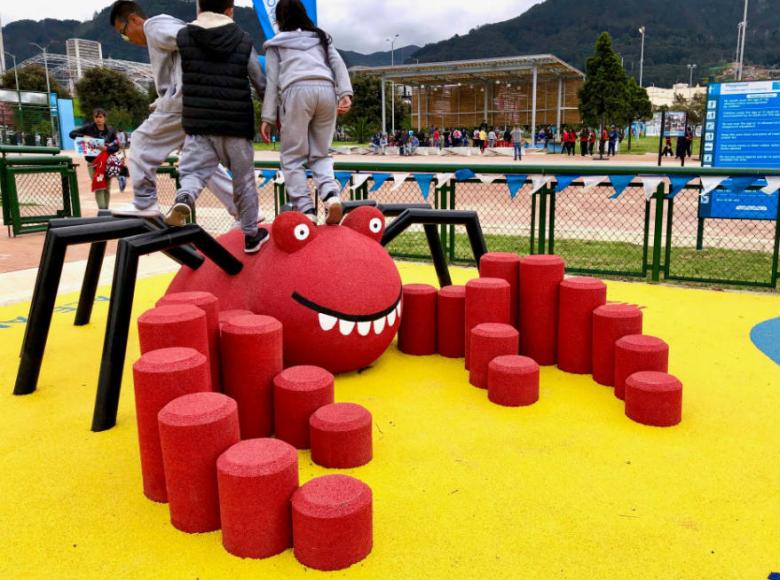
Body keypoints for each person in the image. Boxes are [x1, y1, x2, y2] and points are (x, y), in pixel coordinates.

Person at [109, 1, 244, 221]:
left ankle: (145, 203)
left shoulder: (154, 26)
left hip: (183, 104)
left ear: (133, 20)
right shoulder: (160, 38)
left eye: (123, 33)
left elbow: (190, 36)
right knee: (202, 164)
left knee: (142, 142)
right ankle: (246, 212)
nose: (128, 40)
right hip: (197, 103)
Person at [163, 0, 268, 254]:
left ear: (200, 8)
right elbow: (258, 80)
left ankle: (185, 197)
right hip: (236, 123)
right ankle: (251, 236)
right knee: (244, 182)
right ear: (230, 10)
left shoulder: (184, 37)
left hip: (199, 122)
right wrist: (272, 113)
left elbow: (177, 80)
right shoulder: (243, 40)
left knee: (194, 172)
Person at [260, 0, 353, 224]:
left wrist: (268, 117)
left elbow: (272, 81)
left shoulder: (276, 44)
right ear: (304, 15)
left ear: (279, 20)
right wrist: (345, 93)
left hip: (295, 91)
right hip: (326, 91)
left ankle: (306, 210)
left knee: (292, 157)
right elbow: (337, 64)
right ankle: (331, 196)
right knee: (320, 154)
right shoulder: (321, 38)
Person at [70, 108, 120, 210]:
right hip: (93, 163)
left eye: (100, 117)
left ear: (105, 118)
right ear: (94, 118)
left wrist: (107, 148)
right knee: (99, 186)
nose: (98, 119)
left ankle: (106, 210)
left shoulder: (110, 130)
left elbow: (116, 146)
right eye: (96, 117)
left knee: (106, 187)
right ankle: (102, 210)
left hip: (107, 163)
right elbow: (72, 134)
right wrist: (84, 136)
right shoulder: (88, 128)